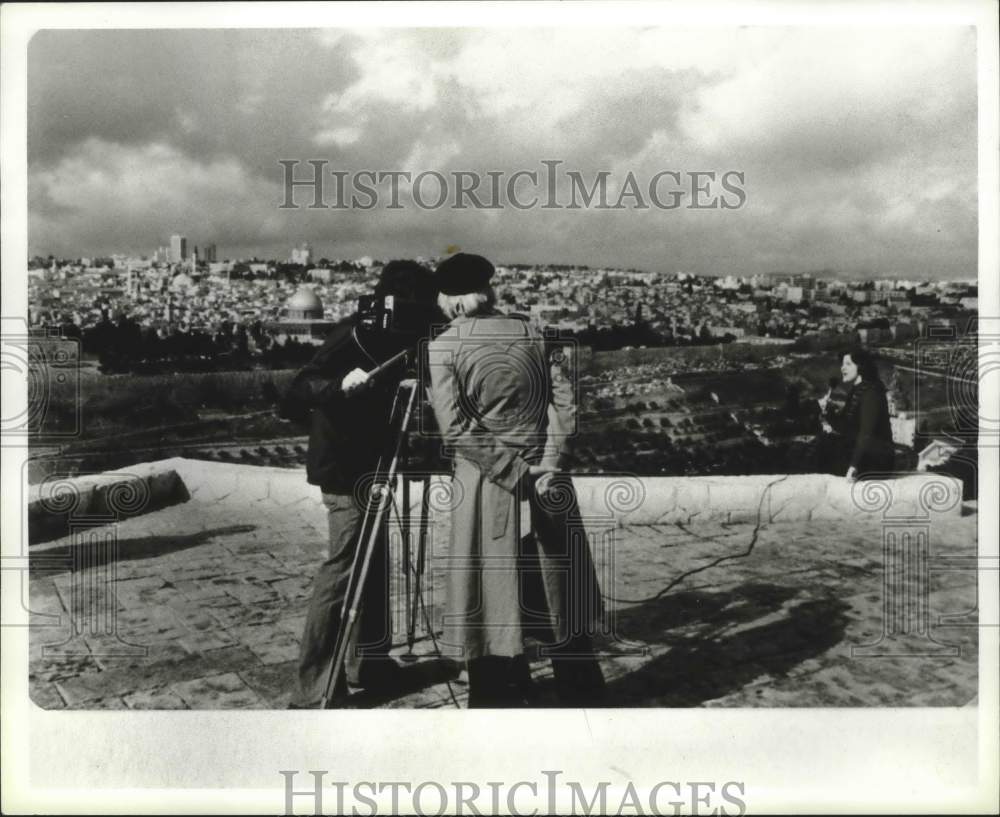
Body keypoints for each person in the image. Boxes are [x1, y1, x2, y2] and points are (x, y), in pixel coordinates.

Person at [426, 253, 606, 707]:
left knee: (488, 592)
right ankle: (581, 693)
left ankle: (498, 698)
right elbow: (565, 408)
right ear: (488, 290)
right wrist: (548, 466)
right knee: (559, 588)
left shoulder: (443, 346)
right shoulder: (533, 332)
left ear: (448, 299)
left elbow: (454, 431)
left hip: (488, 484)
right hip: (546, 480)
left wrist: (514, 474)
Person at [279, 260, 439, 707]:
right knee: (346, 569)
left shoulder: (404, 334)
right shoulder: (352, 333)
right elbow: (296, 392)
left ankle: (369, 663)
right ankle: (315, 689)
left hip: (375, 464)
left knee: (374, 566)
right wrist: (336, 385)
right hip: (346, 469)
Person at [816, 347, 895, 482]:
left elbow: (866, 432)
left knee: (821, 455)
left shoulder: (871, 392)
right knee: (821, 446)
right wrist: (828, 412)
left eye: (848, 364)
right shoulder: (857, 389)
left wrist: (854, 465)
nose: (842, 368)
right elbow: (846, 428)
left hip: (877, 459)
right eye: (842, 364)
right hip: (866, 453)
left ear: (861, 366)